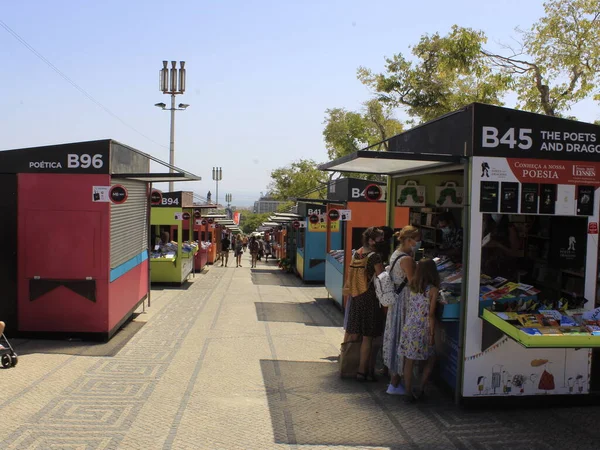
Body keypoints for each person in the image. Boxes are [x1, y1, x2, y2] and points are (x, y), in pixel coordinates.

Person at [344, 227, 386, 382]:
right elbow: (382, 277)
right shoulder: (374, 257)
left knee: (354, 333)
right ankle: (363, 371)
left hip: (356, 297)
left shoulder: (357, 253)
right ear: (371, 240)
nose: (382, 241)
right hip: (370, 299)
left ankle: (348, 364)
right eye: (380, 238)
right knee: (368, 337)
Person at [383, 226, 419, 395]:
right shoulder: (407, 260)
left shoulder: (396, 254)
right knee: (402, 338)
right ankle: (395, 382)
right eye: (416, 240)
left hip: (396, 301)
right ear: (409, 240)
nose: (418, 243)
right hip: (404, 301)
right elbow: (413, 283)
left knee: (396, 336)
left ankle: (395, 380)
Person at [399, 258, 440, 403]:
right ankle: (421, 387)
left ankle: (408, 392)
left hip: (410, 326)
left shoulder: (412, 285)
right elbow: (431, 314)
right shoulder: (433, 290)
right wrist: (432, 334)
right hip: (423, 329)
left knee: (409, 361)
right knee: (431, 357)